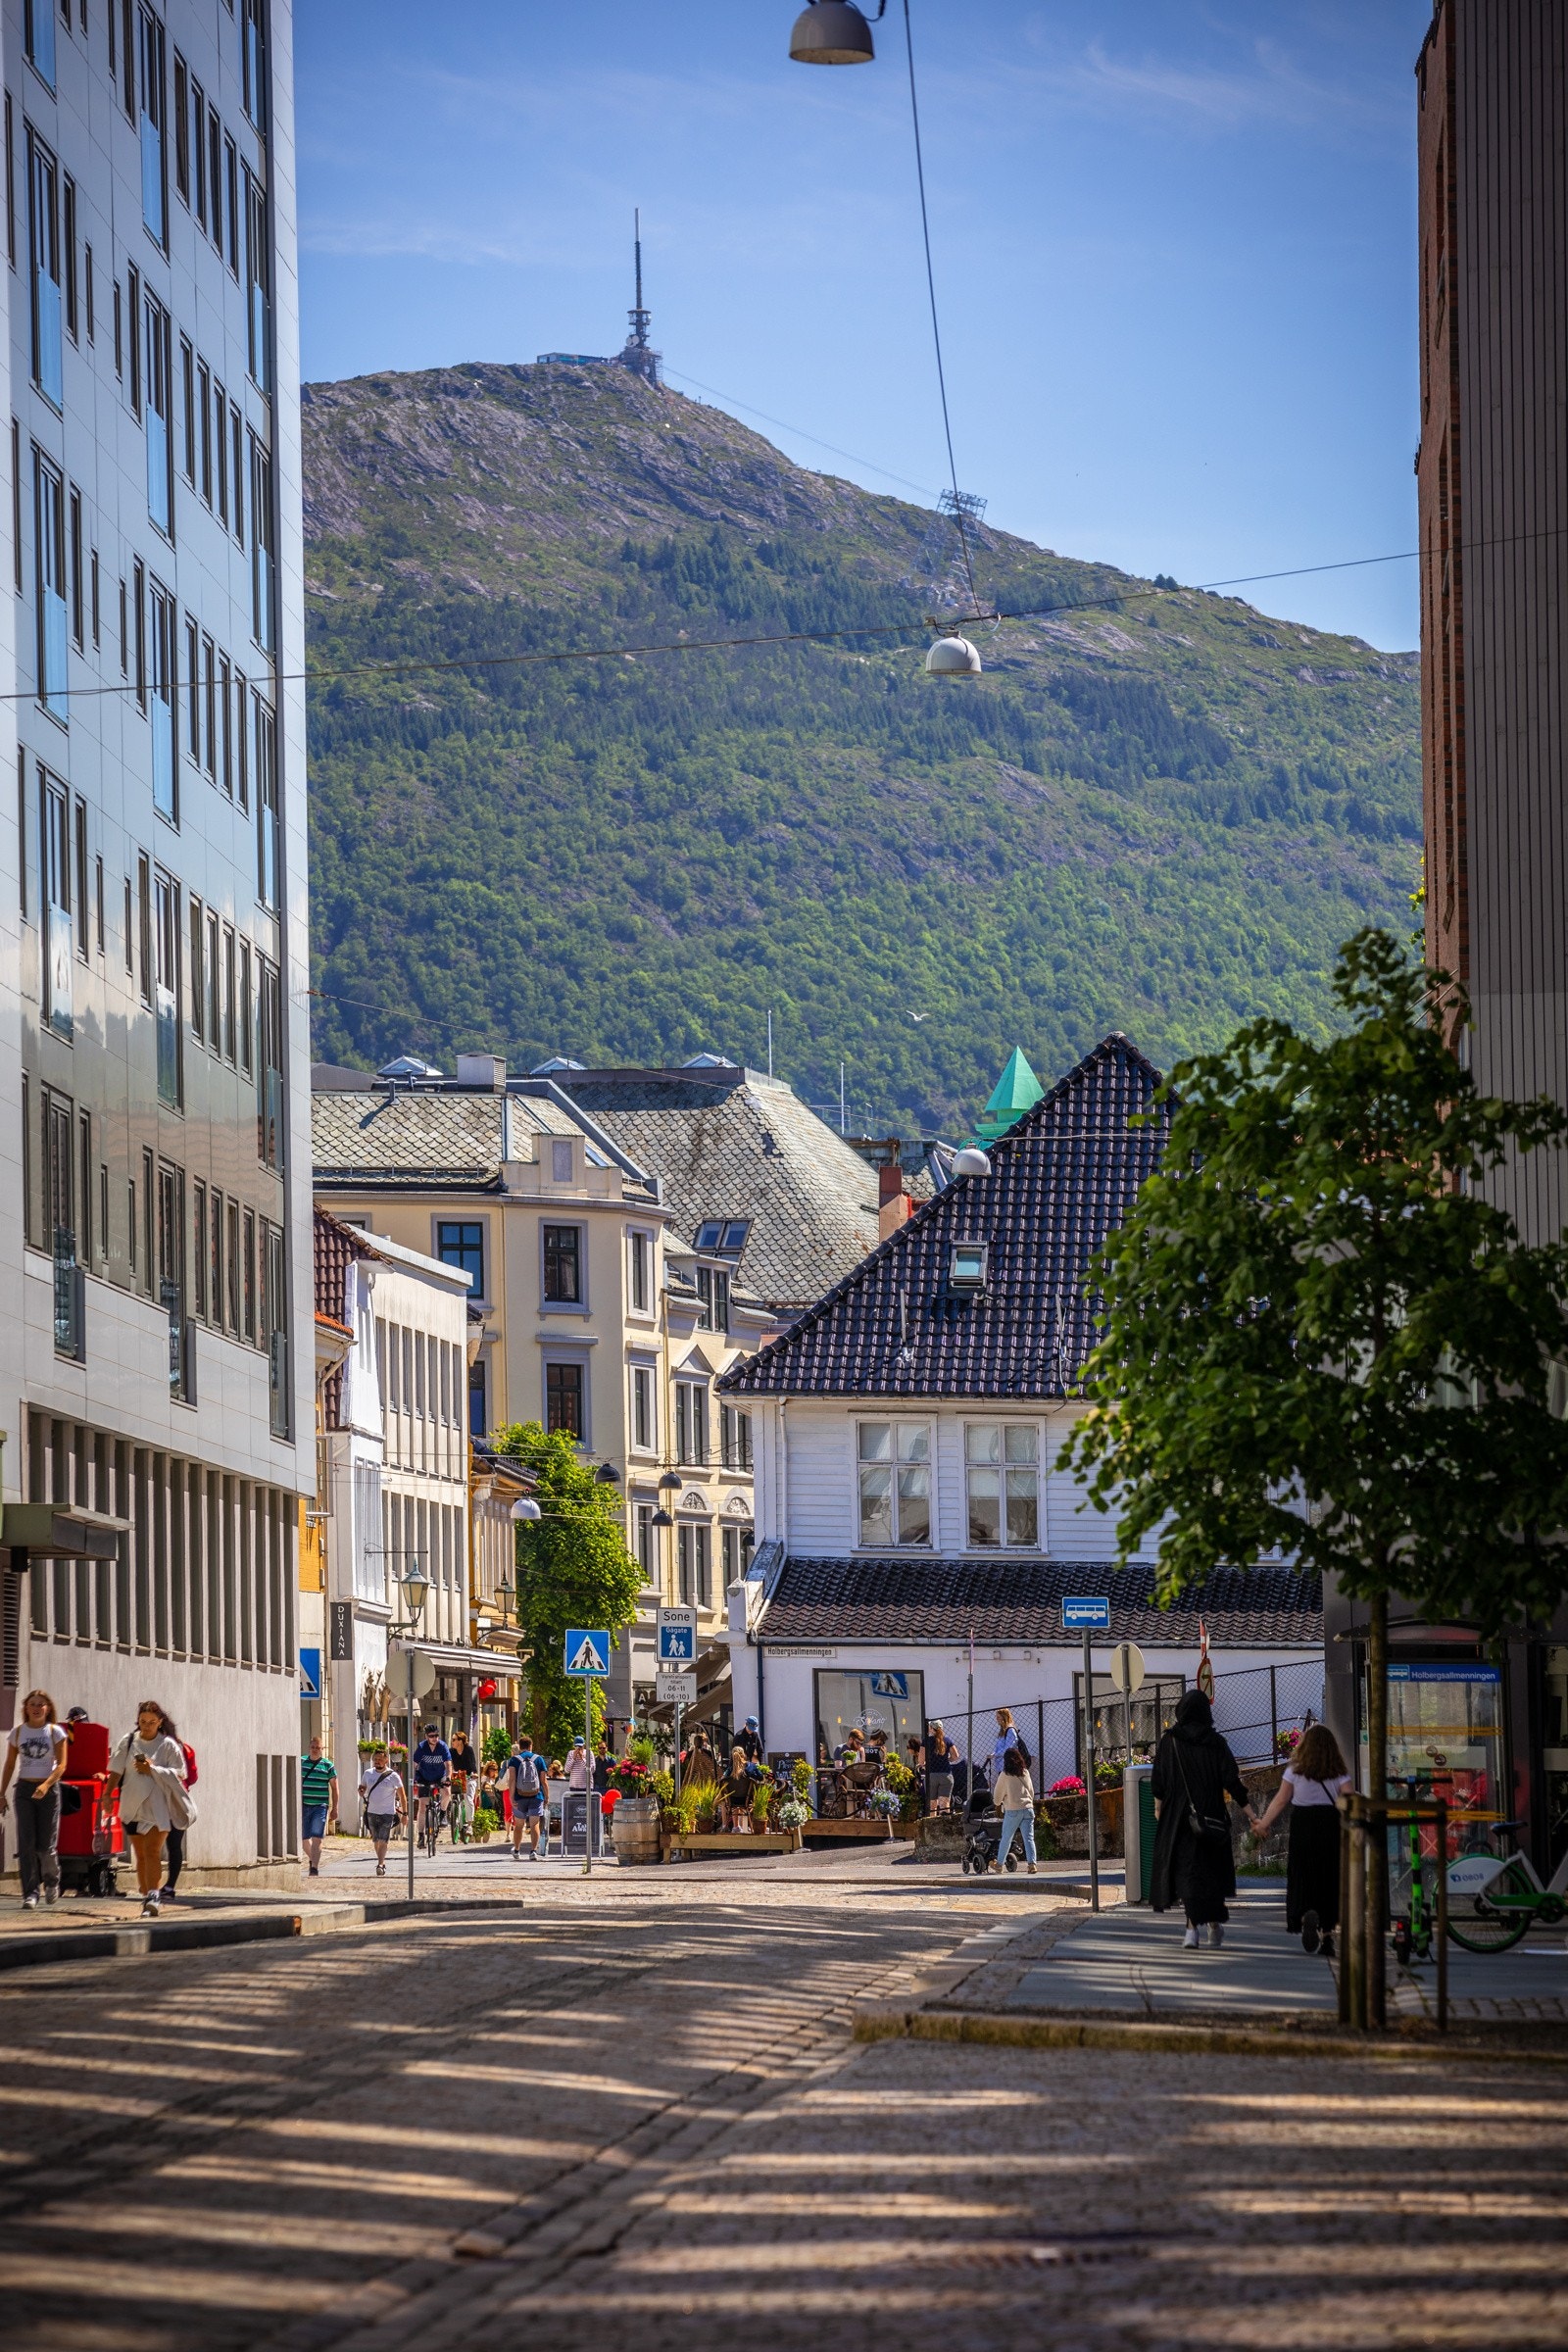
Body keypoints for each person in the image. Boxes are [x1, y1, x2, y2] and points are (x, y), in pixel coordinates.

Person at [1151, 1689, 1250, 1949]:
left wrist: (1159, 1809)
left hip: (1179, 1818)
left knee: (1187, 1874)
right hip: (1212, 1816)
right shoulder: (1217, 1743)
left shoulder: (1169, 1742)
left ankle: (1191, 1930)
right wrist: (1251, 1813)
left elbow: (1158, 1782)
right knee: (1211, 1873)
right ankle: (1211, 1924)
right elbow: (1232, 1780)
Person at [1250, 1723, 1353, 1958]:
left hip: (1303, 1826)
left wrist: (1263, 1824)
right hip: (1330, 1825)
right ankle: (1328, 1937)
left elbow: (1280, 1800)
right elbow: (1349, 1799)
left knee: (1303, 1874)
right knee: (1329, 1878)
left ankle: (1306, 1911)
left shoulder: (1295, 1770)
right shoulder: (1338, 1771)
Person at [106, 1701, 192, 1918]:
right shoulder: (128, 1742)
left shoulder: (168, 1745)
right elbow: (115, 1770)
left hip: (158, 1808)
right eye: (143, 1722)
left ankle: (154, 1896)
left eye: (152, 1722)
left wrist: (152, 1769)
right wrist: (107, 1794)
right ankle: (147, 1895)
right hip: (131, 1805)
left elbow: (180, 1774)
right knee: (141, 1855)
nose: (147, 1726)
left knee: (153, 1850)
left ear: (160, 1722)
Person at [0, 1690, 69, 1908]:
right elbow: (10, 1764)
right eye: (33, 1704)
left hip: (48, 1789)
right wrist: (1, 1793)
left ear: (48, 1708)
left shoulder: (55, 1732)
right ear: (26, 1708)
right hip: (24, 1790)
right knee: (26, 1843)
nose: (37, 1707)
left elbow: (62, 1765)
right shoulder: (18, 1733)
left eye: (41, 1704)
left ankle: (51, 1882)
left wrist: (46, 1785)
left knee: (46, 1845)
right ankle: (30, 1892)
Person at [161, 1732, 199, 1902]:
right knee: (174, 1845)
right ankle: (169, 1886)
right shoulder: (185, 1748)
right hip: (178, 1801)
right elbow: (192, 1777)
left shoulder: (157, 1746)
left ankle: (155, 1887)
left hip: (159, 1800)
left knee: (152, 1845)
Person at [358, 1744, 405, 1877]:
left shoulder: (393, 1776)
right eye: (375, 1759)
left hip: (387, 1813)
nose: (377, 1761)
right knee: (376, 1840)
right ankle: (381, 1862)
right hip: (371, 1811)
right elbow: (363, 1787)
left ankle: (380, 1864)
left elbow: (402, 1795)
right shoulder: (368, 1773)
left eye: (380, 1759)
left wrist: (405, 1813)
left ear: (386, 1760)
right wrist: (361, 1791)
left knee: (384, 1839)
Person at [993, 1746, 1039, 1875]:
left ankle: (999, 1864)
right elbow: (1031, 1791)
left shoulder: (1005, 1775)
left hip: (1013, 1810)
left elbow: (997, 1797)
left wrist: (999, 1802)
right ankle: (1032, 1864)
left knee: (1006, 1837)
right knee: (1029, 1838)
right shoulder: (1025, 1772)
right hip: (1028, 1808)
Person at [300, 1735, 339, 1876]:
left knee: (317, 1837)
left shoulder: (328, 1765)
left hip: (320, 1806)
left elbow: (335, 1788)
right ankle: (313, 1859)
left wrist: (335, 1808)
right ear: (309, 1747)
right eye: (313, 1747)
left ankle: (314, 1867)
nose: (315, 1750)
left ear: (322, 1749)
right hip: (303, 1805)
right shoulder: (301, 1762)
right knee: (304, 1838)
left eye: (318, 1748)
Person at [505, 1739, 549, 1860]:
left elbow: (512, 1780)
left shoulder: (514, 1760)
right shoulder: (539, 1759)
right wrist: (546, 1796)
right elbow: (543, 1781)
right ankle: (533, 1851)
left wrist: (511, 1797)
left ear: (520, 1746)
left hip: (519, 1797)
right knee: (534, 1824)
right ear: (531, 1745)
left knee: (519, 1825)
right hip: (536, 1795)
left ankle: (517, 1850)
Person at [411, 1724, 452, 1846]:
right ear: (426, 1736)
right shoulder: (422, 1747)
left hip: (440, 1776)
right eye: (431, 1736)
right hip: (424, 1777)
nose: (435, 1738)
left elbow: (448, 1764)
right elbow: (414, 1764)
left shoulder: (442, 1746)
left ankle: (443, 1814)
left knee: (447, 1792)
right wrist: (414, 1778)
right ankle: (421, 1836)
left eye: (436, 1735)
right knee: (422, 1806)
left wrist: (448, 1777)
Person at [991, 1707, 1032, 1786]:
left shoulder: (1010, 1731)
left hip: (1008, 1766)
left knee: (1008, 1786)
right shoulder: (1002, 1732)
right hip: (1002, 1766)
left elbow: (1009, 1749)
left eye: (998, 1717)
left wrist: (995, 1755)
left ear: (1004, 1717)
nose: (997, 1719)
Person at [923, 1721, 956, 1815]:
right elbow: (955, 1756)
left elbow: (921, 1761)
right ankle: (945, 1827)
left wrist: (927, 1763)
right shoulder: (947, 1740)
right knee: (944, 1804)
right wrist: (947, 1760)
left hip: (931, 1775)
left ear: (930, 1728)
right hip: (946, 1774)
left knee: (932, 1805)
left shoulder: (926, 1741)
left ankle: (932, 1827)